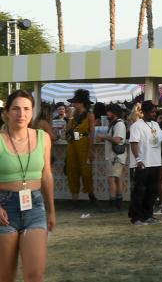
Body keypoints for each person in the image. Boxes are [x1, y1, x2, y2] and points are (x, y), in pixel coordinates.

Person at [0, 90, 56, 282]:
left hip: (35, 205)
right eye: (15, 108)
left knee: (35, 275)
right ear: (6, 112)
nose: (21, 114)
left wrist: (51, 210)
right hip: (4, 208)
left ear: (32, 112)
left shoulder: (43, 138)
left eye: (26, 109)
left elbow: (46, 174)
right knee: (5, 276)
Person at [128, 101, 162, 225]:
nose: (154, 114)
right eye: (151, 112)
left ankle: (148, 215)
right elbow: (134, 143)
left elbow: (161, 140)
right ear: (143, 112)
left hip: (155, 162)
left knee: (152, 191)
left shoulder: (155, 124)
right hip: (142, 163)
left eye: (155, 111)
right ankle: (136, 217)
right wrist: (138, 160)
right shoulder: (136, 126)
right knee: (139, 191)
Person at [64, 89, 96, 205]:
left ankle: (90, 193)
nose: (74, 104)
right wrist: (70, 118)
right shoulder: (74, 115)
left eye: (76, 102)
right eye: (74, 102)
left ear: (82, 103)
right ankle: (75, 198)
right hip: (72, 143)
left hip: (84, 142)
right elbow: (68, 130)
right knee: (72, 169)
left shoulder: (89, 115)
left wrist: (90, 149)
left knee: (86, 170)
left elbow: (92, 133)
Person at [102, 103, 128, 210]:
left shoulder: (118, 124)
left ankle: (112, 203)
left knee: (112, 179)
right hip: (116, 156)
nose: (107, 114)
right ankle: (118, 203)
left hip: (115, 156)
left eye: (109, 112)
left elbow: (118, 140)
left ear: (114, 113)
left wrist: (104, 137)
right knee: (117, 179)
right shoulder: (116, 123)